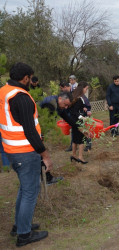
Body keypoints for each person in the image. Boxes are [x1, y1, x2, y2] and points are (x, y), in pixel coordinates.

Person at [0, 62, 52, 246]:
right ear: (25, 78)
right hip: (25, 152)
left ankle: (19, 225)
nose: (31, 81)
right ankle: (24, 235)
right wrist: (45, 154)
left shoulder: (4, 91)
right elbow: (30, 132)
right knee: (30, 192)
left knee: (24, 189)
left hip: (12, 151)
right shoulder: (21, 97)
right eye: (30, 78)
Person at [69, 82, 90, 163]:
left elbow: (74, 109)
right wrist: (82, 117)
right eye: (86, 88)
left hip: (73, 121)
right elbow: (75, 111)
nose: (86, 90)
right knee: (81, 139)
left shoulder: (74, 97)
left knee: (75, 139)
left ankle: (73, 155)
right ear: (82, 88)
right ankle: (80, 157)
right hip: (78, 121)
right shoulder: (79, 99)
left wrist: (83, 108)